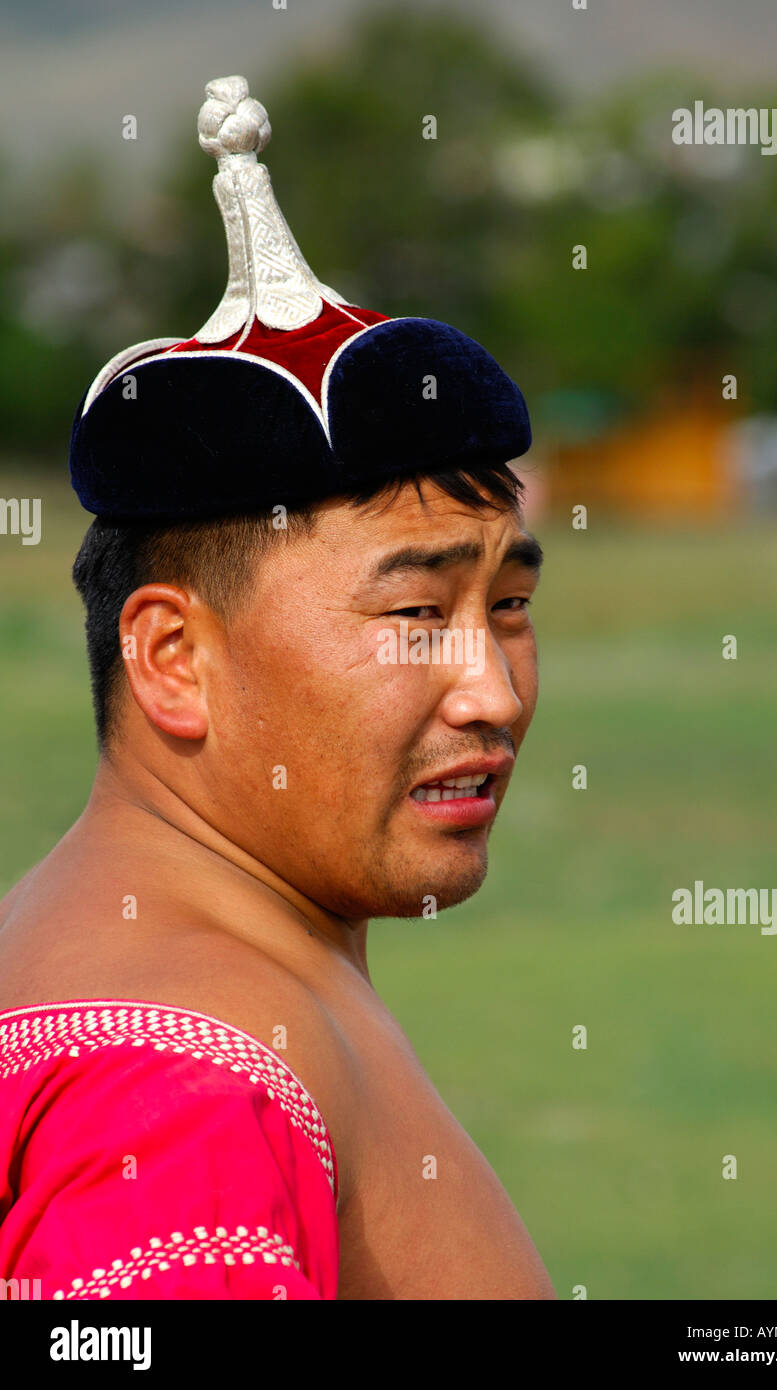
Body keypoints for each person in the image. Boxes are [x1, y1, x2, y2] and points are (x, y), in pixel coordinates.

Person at [0, 75, 554, 1301]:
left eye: (506, 606)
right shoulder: (180, 1082)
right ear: (172, 659)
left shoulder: (230, 984)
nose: (493, 693)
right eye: (414, 614)